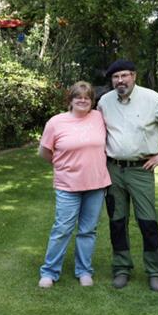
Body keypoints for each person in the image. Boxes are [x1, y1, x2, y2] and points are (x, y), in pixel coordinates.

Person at [98, 60, 158, 292]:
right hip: (113, 171)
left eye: (124, 75)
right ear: (111, 80)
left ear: (134, 76)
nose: (120, 81)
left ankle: (154, 271)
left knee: (147, 222)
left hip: (142, 171)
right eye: (116, 77)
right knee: (117, 221)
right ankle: (121, 268)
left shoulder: (153, 100)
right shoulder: (105, 102)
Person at [38, 81, 111, 288]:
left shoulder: (99, 118)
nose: (82, 100)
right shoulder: (56, 122)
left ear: (92, 101)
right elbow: (44, 151)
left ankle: (84, 271)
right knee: (62, 229)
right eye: (78, 97)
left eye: (87, 97)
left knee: (88, 230)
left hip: (96, 185)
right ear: (70, 100)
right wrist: (62, 166)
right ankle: (49, 272)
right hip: (67, 186)